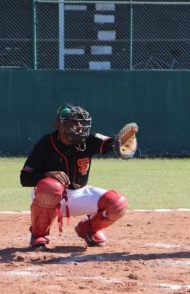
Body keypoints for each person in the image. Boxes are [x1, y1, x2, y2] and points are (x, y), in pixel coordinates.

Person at [20, 104, 129, 250]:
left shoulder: (88, 139)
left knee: (117, 203)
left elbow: (111, 143)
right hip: (50, 197)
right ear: (61, 125)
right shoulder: (46, 143)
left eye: (81, 123)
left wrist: (121, 144)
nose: (79, 127)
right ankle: (38, 235)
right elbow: (25, 178)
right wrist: (46, 174)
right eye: (74, 122)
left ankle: (88, 229)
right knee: (51, 186)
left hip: (80, 194)